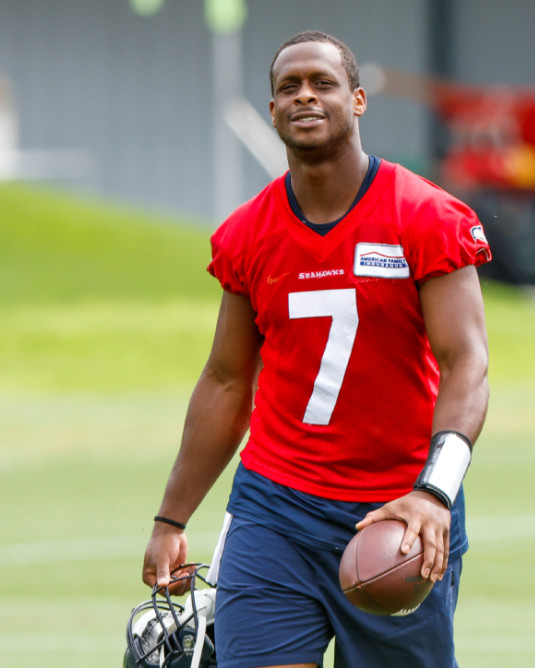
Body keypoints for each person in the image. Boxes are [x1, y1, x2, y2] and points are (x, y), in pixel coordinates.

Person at [140, 31, 491, 668]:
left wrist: (434, 494)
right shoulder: (247, 234)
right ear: (272, 112)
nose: (305, 95)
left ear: (357, 100)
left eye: (322, 83)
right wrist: (171, 518)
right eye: (288, 87)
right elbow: (225, 381)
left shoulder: (425, 216)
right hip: (276, 505)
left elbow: (467, 361)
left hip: (398, 509)